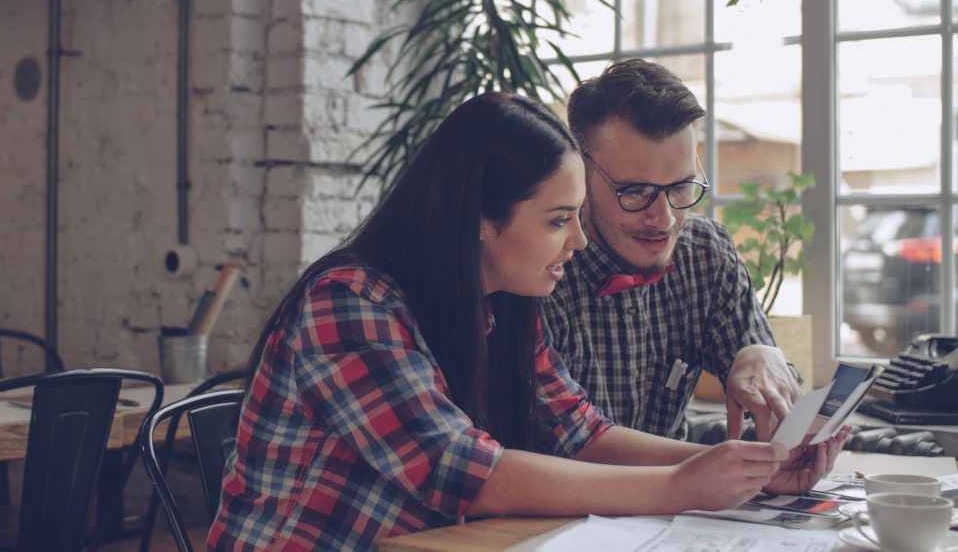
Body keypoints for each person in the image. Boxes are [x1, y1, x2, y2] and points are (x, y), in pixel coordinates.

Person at [208, 93, 845, 551]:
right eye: (557, 220)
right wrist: (681, 486)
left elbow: (582, 433)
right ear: (480, 219)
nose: (576, 242)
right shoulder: (349, 304)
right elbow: (462, 470)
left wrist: (752, 465)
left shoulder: (506, 301)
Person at [541, 58, 801, 443]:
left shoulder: (704, 254)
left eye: (681, 187)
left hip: (681, 499)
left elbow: (774, 401)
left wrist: (765, 358)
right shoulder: (540, 271)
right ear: (579, 174)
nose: (664, 218)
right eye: (635, 191)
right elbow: (569, 446)